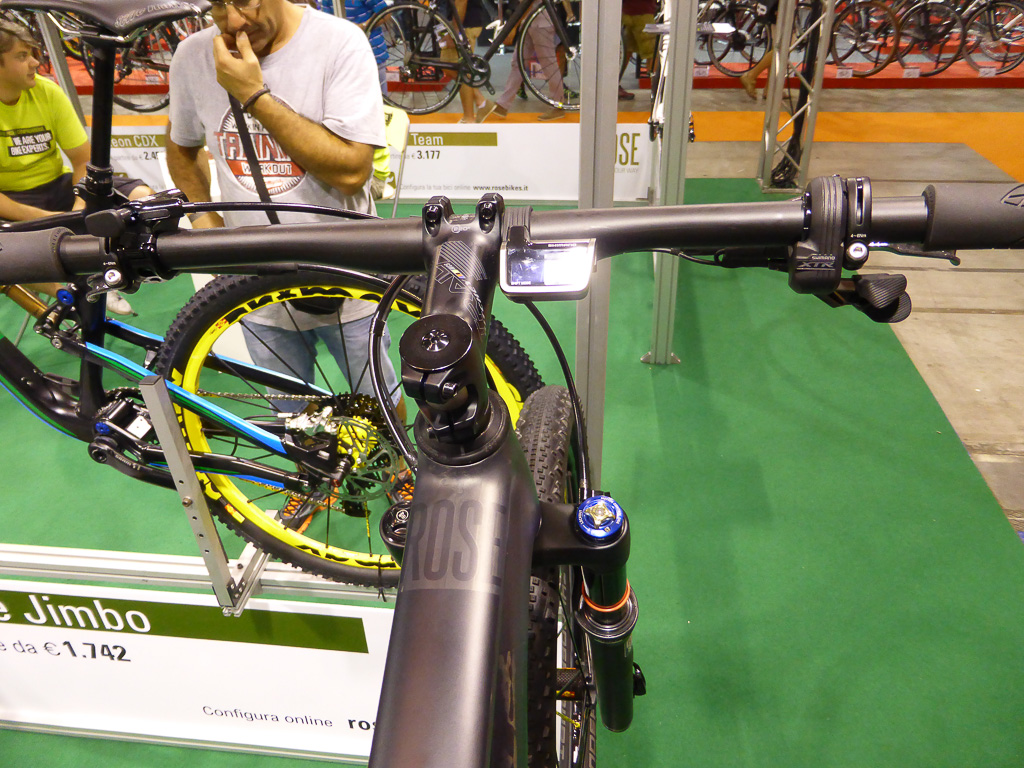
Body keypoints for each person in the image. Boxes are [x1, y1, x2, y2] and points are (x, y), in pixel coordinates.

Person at [165, 0, 408, 433]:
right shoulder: (193, 55)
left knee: (380, 404)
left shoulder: (339, 43)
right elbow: (182, 149)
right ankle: (310, 472)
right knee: (292, 417)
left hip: (346, 275)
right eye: (217, 5)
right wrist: (205, 224)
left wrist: (253, 95)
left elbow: (352, 173)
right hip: (256, 285)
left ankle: (399, 468)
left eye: (245, 1)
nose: (233, 21)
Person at [0, 19, 151, 315]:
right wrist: (53, 219)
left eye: (33, 54)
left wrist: (80, 207)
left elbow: (83, 160)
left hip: (60, 186)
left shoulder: (48, 92)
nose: (35, 63)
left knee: (141, 197)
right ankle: (75, 290)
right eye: (22, 56)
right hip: (11, 202)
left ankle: (114, 272)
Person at [477, 0, 574, 122]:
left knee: (549, 65)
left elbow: (527, 3)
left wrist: (513, 27)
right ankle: (503, 104)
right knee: (517, 63)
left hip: (540, 23)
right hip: (530, 21)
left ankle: (558, 105)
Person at [619, 0, 658, 100]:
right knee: (652, 53)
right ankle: (657, 91)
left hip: (626, 12)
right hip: (643, 12)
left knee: (625, 52)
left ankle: (614, 86)